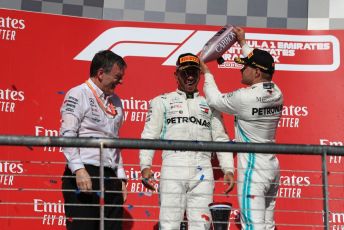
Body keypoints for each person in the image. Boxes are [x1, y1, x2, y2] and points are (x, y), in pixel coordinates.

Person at [139, 53, 235, 229]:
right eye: (185, 73)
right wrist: (145, 166)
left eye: (194, 72)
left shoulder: (210, 104)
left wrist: (228, 169)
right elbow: (149, 135)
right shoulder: (162, 101)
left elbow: (221, 138)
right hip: (173, 166)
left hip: (203, 168)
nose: (190, 77)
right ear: (176, 75)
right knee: (169, 224)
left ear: (199, 74)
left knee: (202, 225)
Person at [201, 27, 284, 230]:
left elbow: (214, 99)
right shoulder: (277, 91)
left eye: (245, 66)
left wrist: (207, 72)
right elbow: (261, 64)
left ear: (256, 72)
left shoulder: (245, 97)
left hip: (253, 171)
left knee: (252, 226)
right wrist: (242, 42)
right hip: (272, 167)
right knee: (268, 226)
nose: (241, 69)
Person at [60, 50, 128, 230]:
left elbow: (116, 141)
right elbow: (67, 134)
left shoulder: (117, 102)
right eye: (117, 76)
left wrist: (120, 177)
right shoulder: (78, 93)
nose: (121, 81)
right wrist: (79, 170)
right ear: (100, 73)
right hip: (85, 172)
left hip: (110, 176)